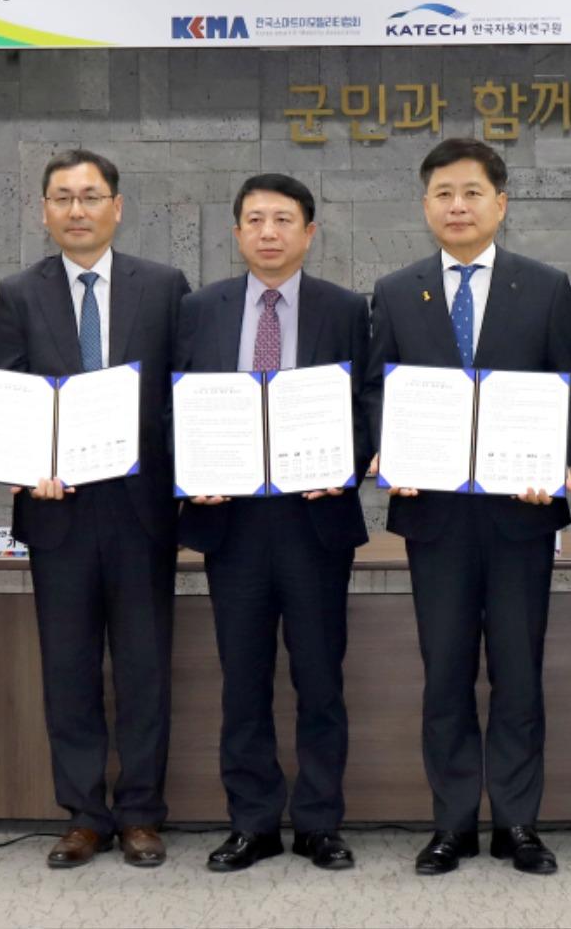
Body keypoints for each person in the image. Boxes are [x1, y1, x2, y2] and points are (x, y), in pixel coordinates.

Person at [359, 137, 571, 876]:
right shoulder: (397, 291)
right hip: (436, 518)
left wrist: (555, 461)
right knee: (446, 673)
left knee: (518, 673)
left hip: (520, 515)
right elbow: (376, 390)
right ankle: (452, 823)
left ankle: (518, 822)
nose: (458, 206)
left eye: (472, 192)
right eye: (444, 194)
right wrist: (385, 449)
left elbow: (570, 389)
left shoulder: (545, 287)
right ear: (426, 206)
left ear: (501, 203)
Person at [0, 148, 190, 870]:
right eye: (63, 198)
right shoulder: (18, 293)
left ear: (117, 207)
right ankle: (83, 815)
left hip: (141, 512)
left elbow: (182, 397)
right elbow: (8, 395)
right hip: (59, 514)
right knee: (68, 669)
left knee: (143, 670)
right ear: (44, 211)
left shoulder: (163, 287)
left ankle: (140, 813)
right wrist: (25, 466)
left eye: (91, 196)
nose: (77, 210)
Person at [175, 174, 370, 874]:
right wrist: (192, 470)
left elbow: (368, 403)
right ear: (236, 233)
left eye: (283, 219)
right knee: (244, 680)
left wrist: (347, 463)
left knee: (320, 680)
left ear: (309, 233)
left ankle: (320, 823)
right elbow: (175, 403)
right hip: (232, 524)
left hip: (315, 521)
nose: (268, 232)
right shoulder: (200, 309)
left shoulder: (346, 308)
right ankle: (252, 822)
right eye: (254, 219)